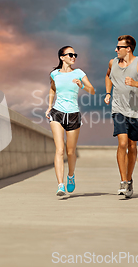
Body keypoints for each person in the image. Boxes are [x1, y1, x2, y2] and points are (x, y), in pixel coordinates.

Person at [104, 35, 138, 198]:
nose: (115, 49)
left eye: (119, 47)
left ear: (128, 49)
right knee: (122, 143)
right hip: (118, 109)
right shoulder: (112, 63)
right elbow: (108, 76)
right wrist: (108, 93)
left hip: (135, 111)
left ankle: (129, 178)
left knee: (132, 146)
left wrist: (135, 83)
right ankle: (123, 181)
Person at [46, 46, 95, 196]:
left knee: (70, 151)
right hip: (57, 113)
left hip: (73, 114)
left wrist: (82, 86)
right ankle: (60, 185)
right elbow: (52, 89)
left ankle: (70, 176)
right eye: (70, 54)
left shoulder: (79, 73)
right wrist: (49, 107)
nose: (73, 57)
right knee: (59, 150)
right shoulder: (54, 74)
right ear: (62, 57)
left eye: (75, 55)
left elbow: (92, 90)